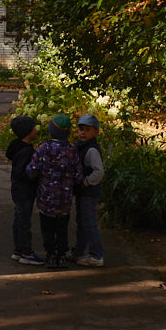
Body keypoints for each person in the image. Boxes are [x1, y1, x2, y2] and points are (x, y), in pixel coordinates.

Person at [25, 114, 82, 269]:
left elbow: (32, 170)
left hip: (46, 198)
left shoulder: (43, 149)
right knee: (62, 228)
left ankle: (50, 254)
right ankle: (61, 255)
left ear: (51, 130)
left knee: (47, 228)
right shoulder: (72, 151)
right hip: (64, 200)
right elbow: (78, 176)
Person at [6, 116, 45, 266]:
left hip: (18, 188)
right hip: (25, 189)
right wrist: (35, 174)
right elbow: (23, 172)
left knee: (19, 218)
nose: (36, 130)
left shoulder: (17, 147)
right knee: (24, 221)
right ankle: (26, 252)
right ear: (28, 132)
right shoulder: (26, 151)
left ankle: (18, 249)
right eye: (34, 128)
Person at [70, 114, 106, 267]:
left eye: (87, 130)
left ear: (96, 132)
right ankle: (79, 251)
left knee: (89, 223)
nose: (83, 133)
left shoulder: (91, 150)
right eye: (81, 129)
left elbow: (99, 172)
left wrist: (86, 182)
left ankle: (96, 255)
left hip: (89, 193)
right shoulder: (81, 146)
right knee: (82, 222)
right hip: (82, 192)